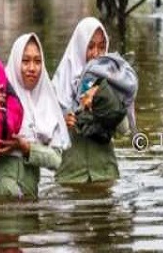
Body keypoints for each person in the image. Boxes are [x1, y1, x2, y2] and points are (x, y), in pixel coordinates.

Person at [0, 33, 71, 199]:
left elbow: (57, 161)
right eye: (25, 61)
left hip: (27, 199)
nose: (32, 68)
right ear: (15, 62)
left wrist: (25, 147)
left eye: (37, 61)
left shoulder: (47, 104)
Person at [52, 17, 124, 184]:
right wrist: (63, 121)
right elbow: (45, 135)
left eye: (101, 47)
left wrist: (103, 95)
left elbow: (123, 128)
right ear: (79, 47)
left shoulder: (113, 80)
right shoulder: (58, 85)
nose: (96, 54)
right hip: (70, 177)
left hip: (105, 174)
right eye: (90, 46)